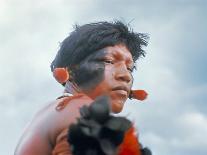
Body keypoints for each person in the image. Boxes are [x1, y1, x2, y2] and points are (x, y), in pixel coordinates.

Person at [15, 20, 149, 155]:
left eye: (130, 68)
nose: (126, 76)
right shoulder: (81, 110)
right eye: (109, 61)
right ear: (71, 71)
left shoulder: (49, 114)